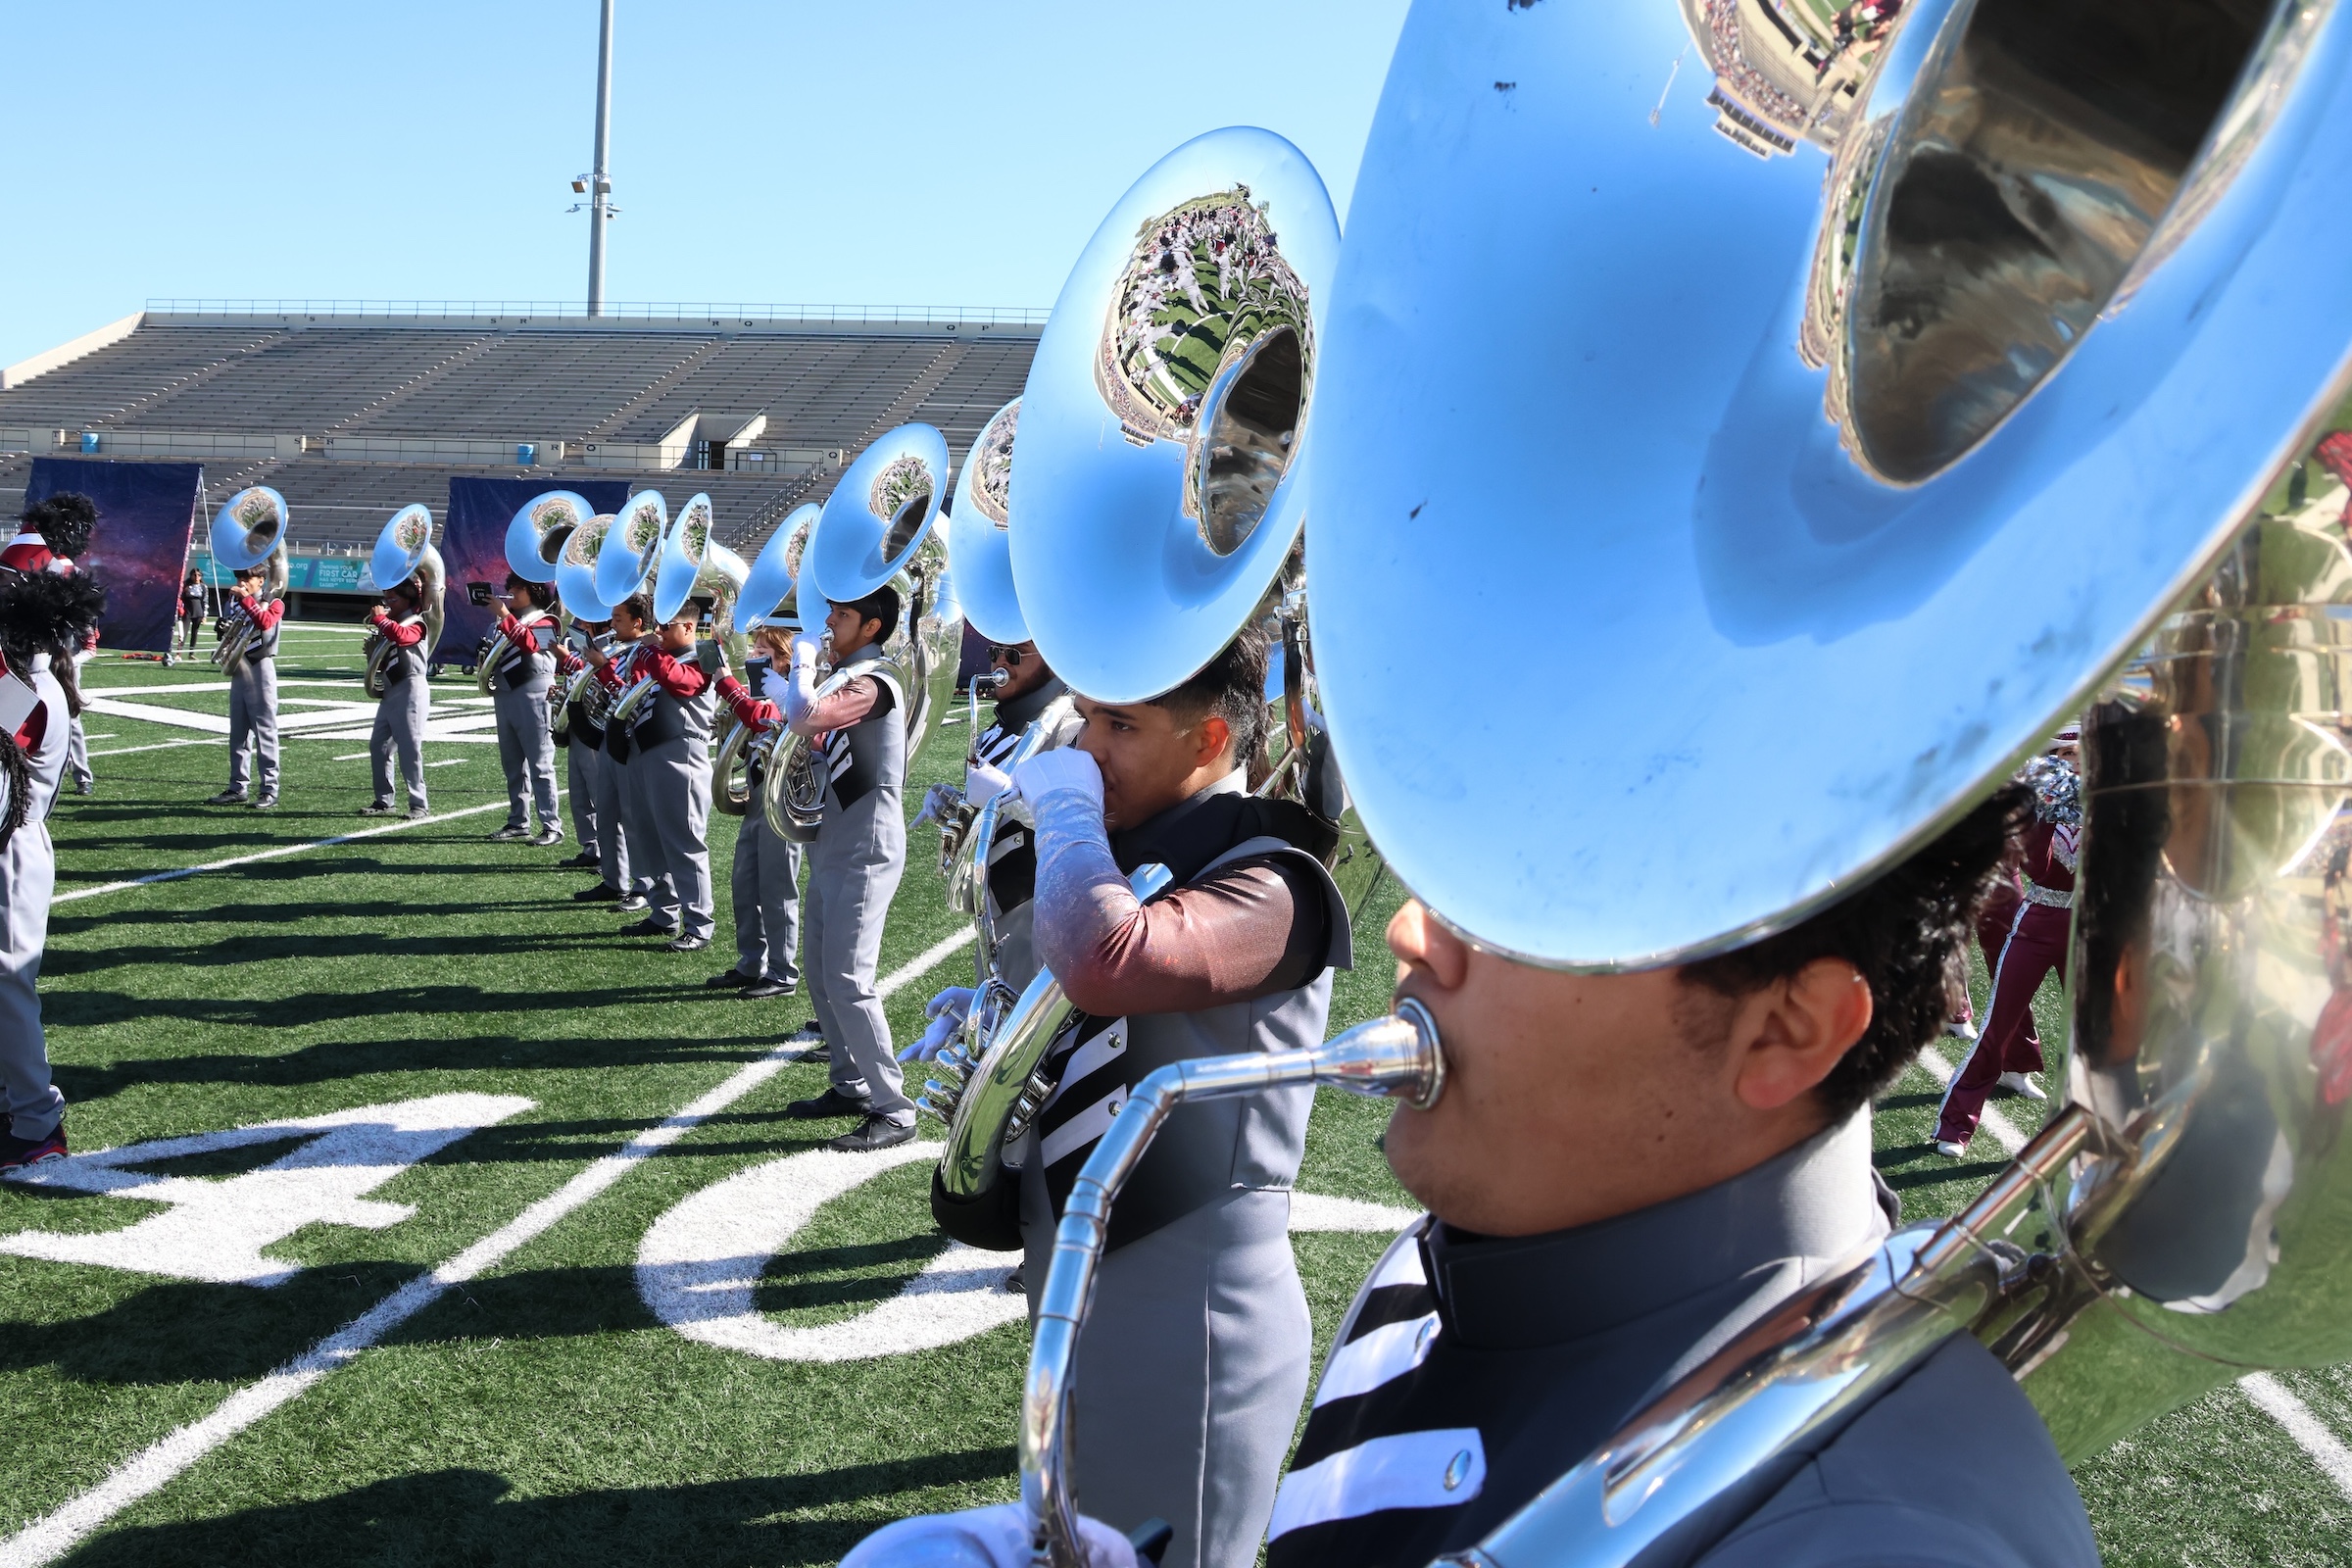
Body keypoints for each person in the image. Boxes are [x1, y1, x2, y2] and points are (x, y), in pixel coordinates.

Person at [848, 779, 2098, 1568]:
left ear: (1784, 1030)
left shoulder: (1869, 1537)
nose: (1408, 927)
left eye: (1535, 901)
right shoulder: (1485, 1238)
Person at [780, 588, 918, 1151]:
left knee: (849, 978)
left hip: (867, 843)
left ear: (871, 627)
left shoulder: (875, 681)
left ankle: (894, 1107)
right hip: (834, 841)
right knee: (818, 969)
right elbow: (813, 739)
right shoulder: (848, 678)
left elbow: (806, 715)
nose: (829, 623)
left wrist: (802, 662)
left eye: (841, 617)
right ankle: (849, 1083)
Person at [0, 571, 107, 1173]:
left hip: (11, 847)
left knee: (8, 985)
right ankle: (13, 1104)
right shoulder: (33, 680)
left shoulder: (25, 689)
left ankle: (38, 1121)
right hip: (13, 839)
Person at [1934, 743, 2080, 1156]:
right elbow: (2038, 865)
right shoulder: (2041, 800)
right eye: (2063, 754)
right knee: (1999, 1023)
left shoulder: (2109, 801)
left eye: (2077, 753)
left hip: (2085, 928)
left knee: (2090, 1037)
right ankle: (1954, 1126)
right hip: (2037, 920)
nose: (2070, 762)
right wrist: (2050, 808)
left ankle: (2086, 1129)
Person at [590, 594, 715, 950]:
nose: (658, 632)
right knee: (647, 837)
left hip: (681, 755)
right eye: (657, 625)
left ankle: (699, 923)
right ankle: (664, 911)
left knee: (684, 842)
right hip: (644, 751)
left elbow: (685, 683)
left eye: (666, 626)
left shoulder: (706, 651)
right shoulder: (657, 655)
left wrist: (649, 652)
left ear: (689, 627)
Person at [709, 623, 805, 1000]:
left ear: (783, 662)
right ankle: (752, 963)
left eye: (763, 651)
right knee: (744, 884)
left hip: (781, 805)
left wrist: (725, 683)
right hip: (755, 801)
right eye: (754, 649)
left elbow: (760, 717)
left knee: (778, 890)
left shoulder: (792, 697)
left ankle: (782, 971)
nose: (753, 656)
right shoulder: (763, 693)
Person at [6, 496, 99, 800]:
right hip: (47, 666)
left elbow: (89, 640)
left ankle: (83, 775)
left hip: (51, 666)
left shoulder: (32, 685)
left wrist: (71, 661)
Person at [483, 574, 564, 848]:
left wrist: (505, 615)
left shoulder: (546, 620)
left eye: (518, 588)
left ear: (534, 591)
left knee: (540, 763)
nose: (511, 592)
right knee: (512, 763)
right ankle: (518, 820)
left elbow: (530, 644)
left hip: (535, 692)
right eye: (510, 588)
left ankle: (552, 825)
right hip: (506, 692)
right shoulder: (507, 621)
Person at [206, 563, 284, 810]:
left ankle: (269, 789)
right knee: (238, 732)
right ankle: (238, 786)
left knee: (265, 731)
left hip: (260, 666)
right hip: (240, 667)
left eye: (247, 578)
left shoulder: (275, 601)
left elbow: (264, 623)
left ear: (261, 580)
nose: (242, 581)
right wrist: (223, 629)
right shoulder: (236, 603)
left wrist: (246, 601)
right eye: (239, 577)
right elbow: (232, 633)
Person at [363, 579, 433, 819]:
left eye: (393, 599)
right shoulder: (392, 623)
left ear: (407, 599)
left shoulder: (417, 623)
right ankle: (384, 800)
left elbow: (404, 637)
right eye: (386, 598)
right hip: (392, 690)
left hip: (412, 689)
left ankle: (419, 804)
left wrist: (382, 620)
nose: (387, 603)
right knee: (379, 745)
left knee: (410, 749)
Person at [180, 568, 208, 654]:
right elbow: (181, 598)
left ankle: (191, 653)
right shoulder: (186, 586)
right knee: (183, 632)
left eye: (199, 575)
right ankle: (179, 652)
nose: (196, 577)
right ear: (191, 576)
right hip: (187, 611)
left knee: (195, 632)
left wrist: (204, 615)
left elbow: (205, 601)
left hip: (198, 611)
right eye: (194, 575)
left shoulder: (203, 587)